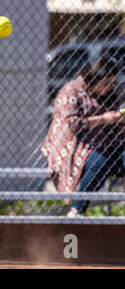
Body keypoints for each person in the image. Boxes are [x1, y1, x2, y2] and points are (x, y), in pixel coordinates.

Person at [42, 56, 125, 217]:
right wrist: (105, 119)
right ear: (94, 78)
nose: (110, 87)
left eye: (112, 83)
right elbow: (71, 125)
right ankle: (77, 210)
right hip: (76, 144)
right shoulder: (70, 91)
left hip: (106, 143)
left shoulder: (106, 95)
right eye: (106, 83)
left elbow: (113, 121)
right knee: (101, 162)